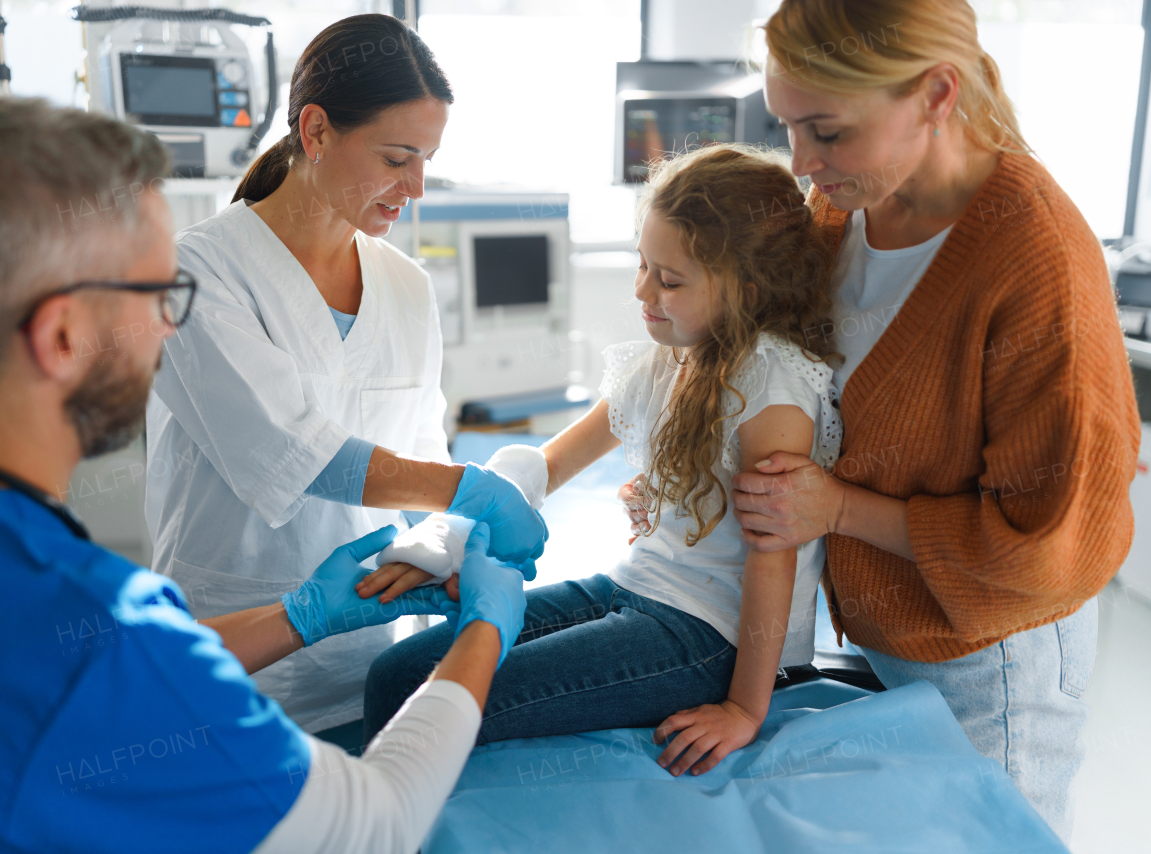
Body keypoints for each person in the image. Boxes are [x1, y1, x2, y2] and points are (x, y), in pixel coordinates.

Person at [0, 94, 531, 854]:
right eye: (159, 295)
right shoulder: (89, 632)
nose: (169, 324)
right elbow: (377, 823)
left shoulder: (20, 602)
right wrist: (483, 632)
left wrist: (302, 616)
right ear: (61, 335)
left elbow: (52, 671)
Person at [692, 0, 1137, 842]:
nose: (802, 162)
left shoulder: (1034, 258)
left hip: (990, 653)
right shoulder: (843, 211)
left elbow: (1043, 552)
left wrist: (834, 510)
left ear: (936, 94)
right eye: (787, 126)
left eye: (825, 130)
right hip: (879, 619)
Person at [363, 143, 846, 776]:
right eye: (642, 265)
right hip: (634, 587)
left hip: (706, 638)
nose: (643, 290)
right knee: (396, 672)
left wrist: (743, 709)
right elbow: (548, 465)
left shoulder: (773, 387)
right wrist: (443, 544)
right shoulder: (666, 359)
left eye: (669, 280)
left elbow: (773, 560)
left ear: (747, 291)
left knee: (421, 702)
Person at [144, 13, 544, 736]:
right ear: (317, 130)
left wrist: (452, 540)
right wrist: (469, 489)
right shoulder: (196, 272)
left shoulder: (405, 286)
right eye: (396, 158)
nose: (416, 186)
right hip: (236, 632)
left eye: (426, 159)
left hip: (369, 644)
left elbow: (420, 455)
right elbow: (294, 453)